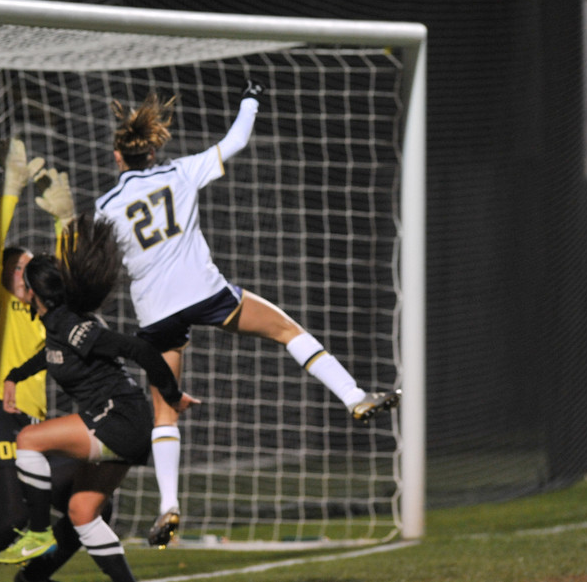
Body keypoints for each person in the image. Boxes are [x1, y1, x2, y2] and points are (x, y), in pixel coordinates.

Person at [94, 80, 402, 547]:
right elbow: (237, 140)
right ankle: (354, 396)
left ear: (118, 159)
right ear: (150, 153)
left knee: (164, 412)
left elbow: (96, 263)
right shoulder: (180, 172)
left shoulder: (104, 207)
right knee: (286, 329)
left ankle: (168, 507)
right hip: (205, 292)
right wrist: (250, 99)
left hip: (156, 313)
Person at [0, 213, 200, 582]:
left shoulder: (72, 326)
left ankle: (39, 533)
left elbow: (139, 350)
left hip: (120, 418)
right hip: (122, 421)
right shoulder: (55, 323)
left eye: (24, 281)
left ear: (34, 292)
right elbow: (50, 356)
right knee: (82, 513)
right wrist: (15, 376)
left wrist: (171, 394)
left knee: (28, 440)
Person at [0, 137, 86, 582]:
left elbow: (68, 284)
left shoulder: (43, 315)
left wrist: (65, 223)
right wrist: (11, 189)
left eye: (30, 269)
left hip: (34, 427)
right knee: (8, 525)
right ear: (0, 274)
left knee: (91, 500)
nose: (25, 274)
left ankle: (33, 579)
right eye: (18, 267)